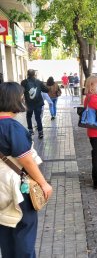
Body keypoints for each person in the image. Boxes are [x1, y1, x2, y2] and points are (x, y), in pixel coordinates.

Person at [0, 82, 53, 257]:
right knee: (25, 229)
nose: (24, 99)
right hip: (15, 187)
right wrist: (43, 183)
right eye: (21, 96)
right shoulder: (12, 127)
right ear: (14, 99)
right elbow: (27, 161)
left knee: (6, 226)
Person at [21, 69, 49, 139]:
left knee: (28, 116)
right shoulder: (39, 82)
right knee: (38, 117)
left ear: (27, 74)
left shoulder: (23, 82)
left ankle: (30, 131)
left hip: (29, 103)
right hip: (38, 103)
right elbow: (46, 90)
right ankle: (40, 132)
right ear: (34, 74)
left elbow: (20, 91)